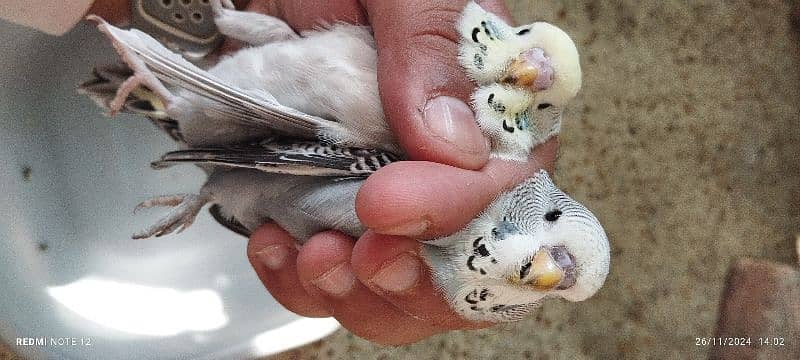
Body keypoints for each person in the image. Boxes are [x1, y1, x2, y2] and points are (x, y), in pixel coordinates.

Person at [1, 0, 558, 345]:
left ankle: (175, 110)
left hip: (241, 125)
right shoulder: (452, 118)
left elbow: (289, 147)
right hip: (240, 109)